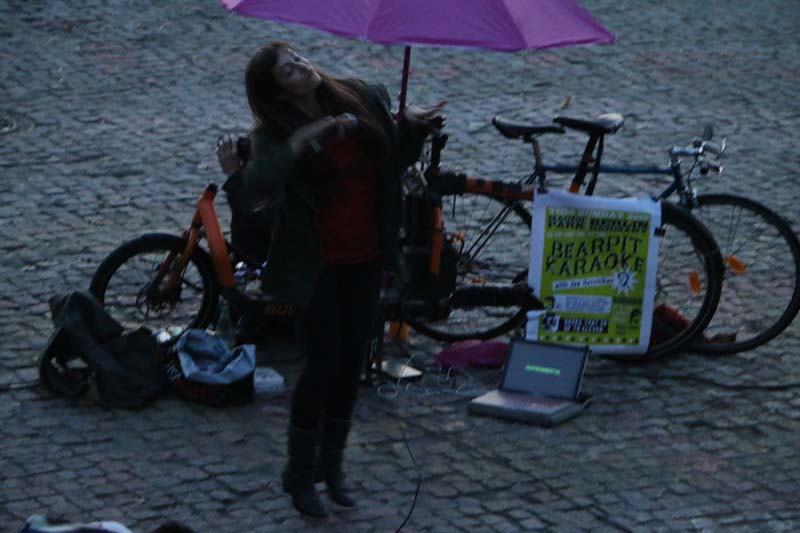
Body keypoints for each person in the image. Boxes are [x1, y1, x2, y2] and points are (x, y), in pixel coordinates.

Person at [216, 41, 444, 518]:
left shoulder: (359, 96)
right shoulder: (275, 133)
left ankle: (332, 466)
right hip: (315, 265)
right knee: (321, 365)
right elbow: (259, 184)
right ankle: (299, 474)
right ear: (278, 93)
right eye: (289, 71)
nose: (303, 67)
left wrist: (413, 129)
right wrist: (307, 138)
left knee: (350, 366)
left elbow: (393, 163)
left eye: (299, 59)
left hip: (365, 255)